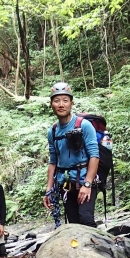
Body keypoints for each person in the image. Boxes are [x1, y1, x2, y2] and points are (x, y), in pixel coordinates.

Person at [43, 82, 100, 227]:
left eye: (65, 100)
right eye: (56, 101)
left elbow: (94, 156)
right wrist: (48, 190)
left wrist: (87, 184)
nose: (61, 104)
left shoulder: (84, 125)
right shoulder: (53, 131)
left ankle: (98, 248)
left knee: (86, 219)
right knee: (74, 224)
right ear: (51, 105)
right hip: (66, 184)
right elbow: (53, 161)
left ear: (71, 103)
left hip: (84, 179)